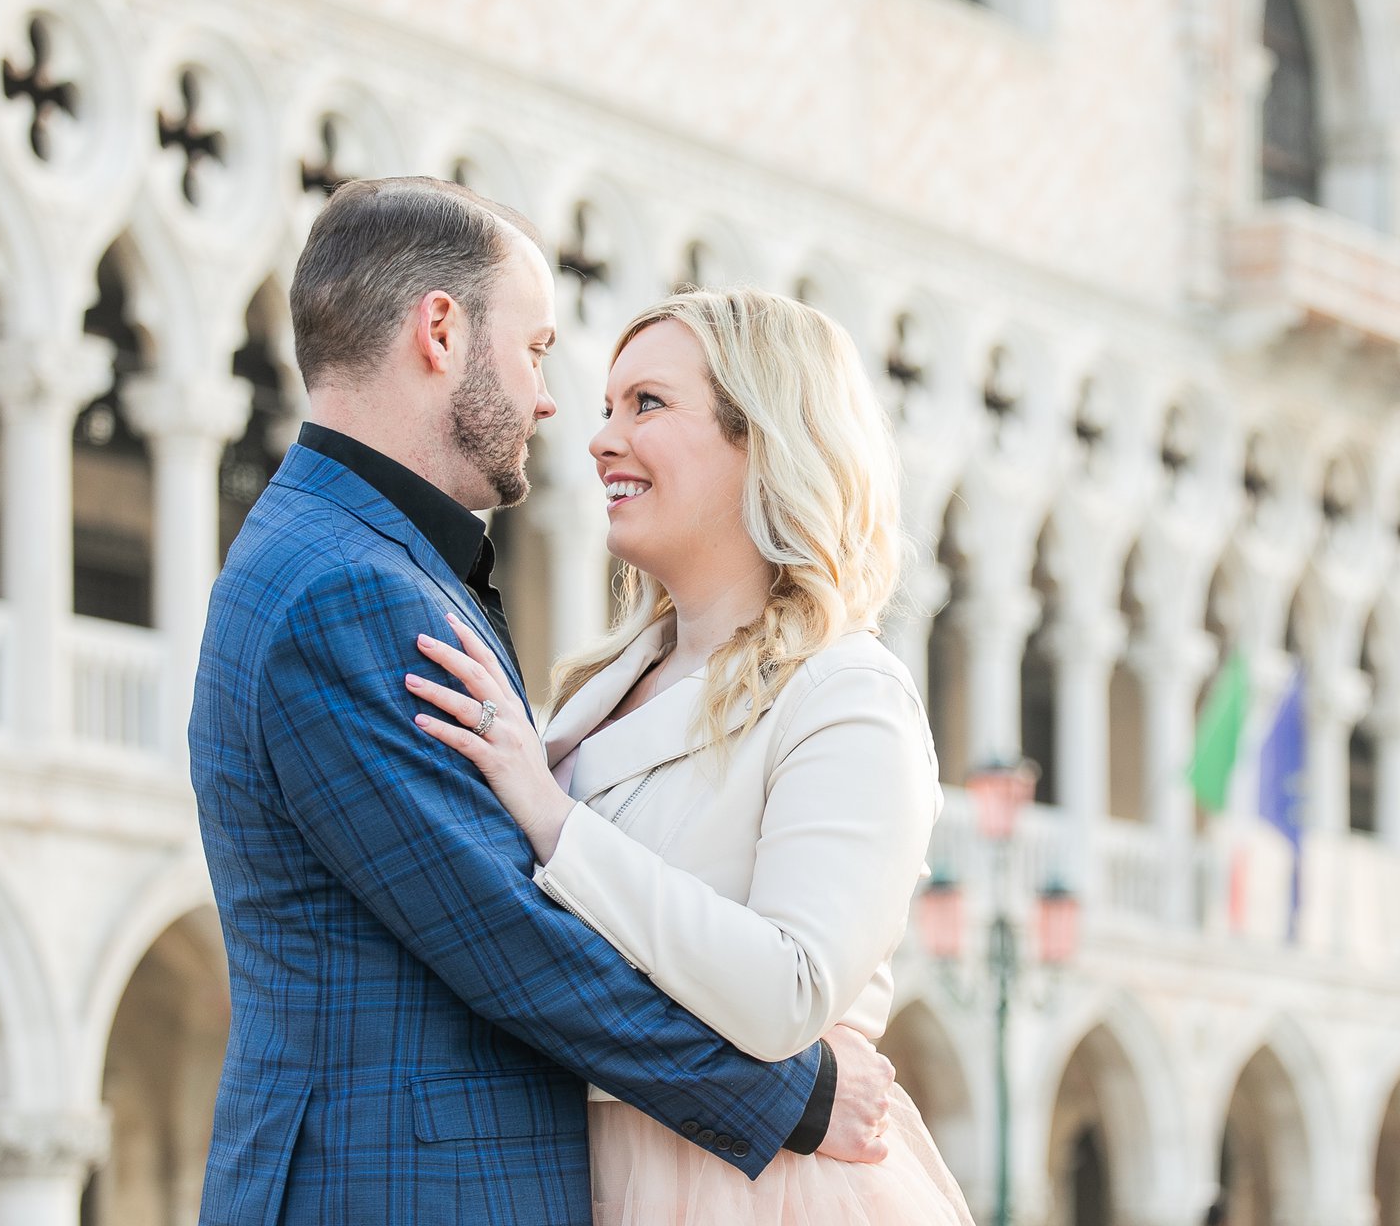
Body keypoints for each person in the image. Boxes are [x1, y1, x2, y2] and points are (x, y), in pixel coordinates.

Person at [190, 177, 893, 1226]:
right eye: (535, 350)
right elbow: (511, 935)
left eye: (642, 404)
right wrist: (792, 1094)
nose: (558, 404)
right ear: (440, 330)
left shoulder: (363, 559)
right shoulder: (350, 582)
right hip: (397, 1187)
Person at [407, 286, 976, 1222]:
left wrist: (552, 821)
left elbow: (789, 991)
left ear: (763, 440)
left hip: (747, 1185)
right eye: (605, 408)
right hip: (588, 1165)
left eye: (648, 405)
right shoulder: (603, 680)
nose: (599, 441)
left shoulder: (847, 696)